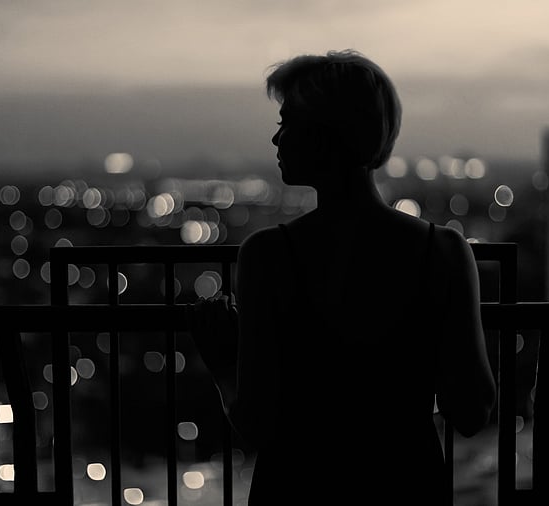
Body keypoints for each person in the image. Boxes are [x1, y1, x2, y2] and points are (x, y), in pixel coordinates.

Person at [190, 49, 496, 505]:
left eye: (286, 122)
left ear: (323, 134)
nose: (276, 140)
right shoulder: (443, 251)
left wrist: (221, 365)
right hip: (408, 482)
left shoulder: (270, 255)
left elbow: (256, 422)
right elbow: (471, 411)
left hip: (297, 485)